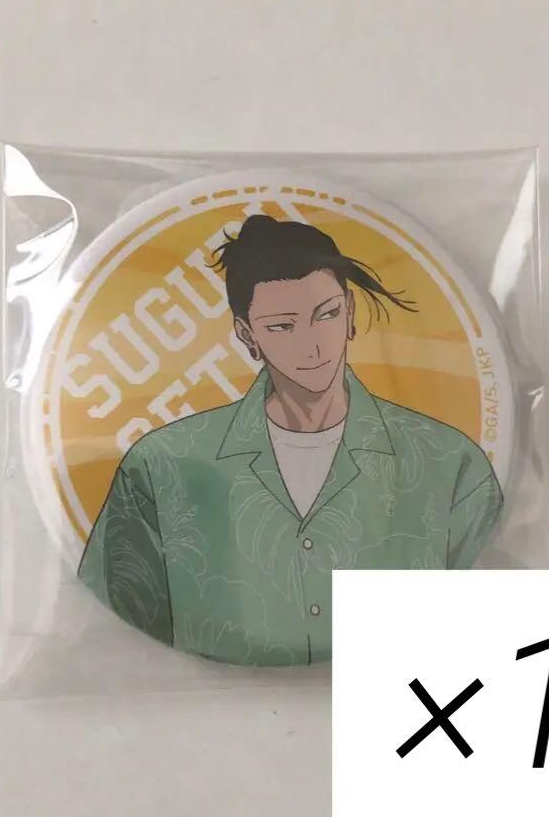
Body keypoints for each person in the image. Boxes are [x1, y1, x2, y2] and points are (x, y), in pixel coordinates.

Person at [78, 214, 502, 666]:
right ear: (247, 335)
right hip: (205, 704)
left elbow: (493, 612)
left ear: (350, 312)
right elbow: (107, 633)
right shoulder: (160, 467)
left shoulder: (448, 464)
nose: (313, 346)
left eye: (327, 314)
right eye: (283, 326)